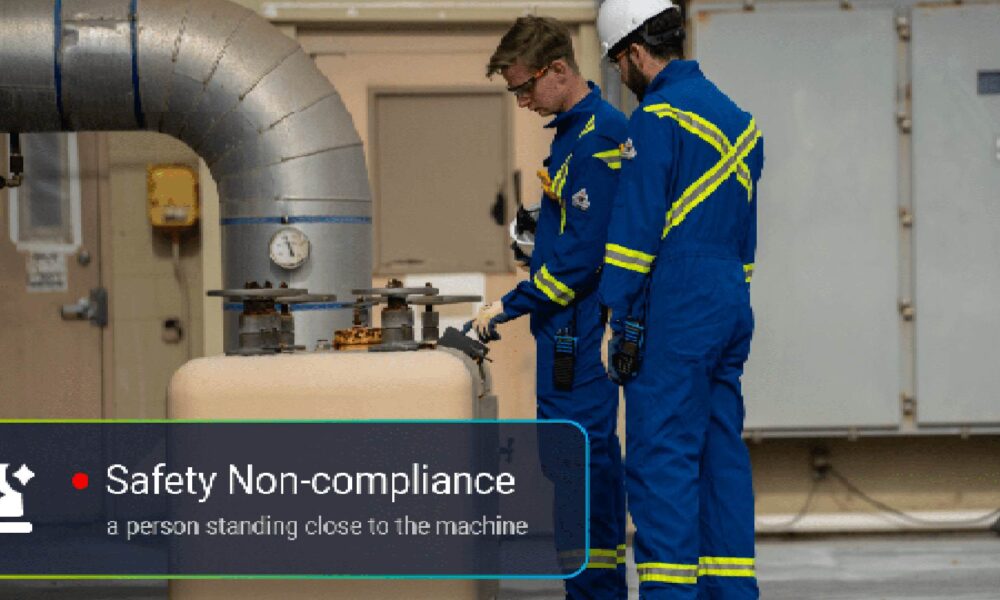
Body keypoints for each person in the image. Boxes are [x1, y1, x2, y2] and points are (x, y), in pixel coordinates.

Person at [595, 0, 764, 598]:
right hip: (728, 299)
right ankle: (731, 592)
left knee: (662, 456)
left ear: (635, 53)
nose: (622, 78)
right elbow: (745, 236)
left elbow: (636, 232)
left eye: (621, 67)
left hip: (677, 300)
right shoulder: (742, 123)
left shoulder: (656, 118)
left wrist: (614, 312)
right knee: (720, 456)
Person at [472, 15, 629, 598]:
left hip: (578, 341)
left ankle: (596, 594)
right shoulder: (571, 134)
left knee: (580, 475)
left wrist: (506, 307)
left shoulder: (598, 139)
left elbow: (584, 259)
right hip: (563, 337)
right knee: (573, 472)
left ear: (558, 70)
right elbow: (572, 236)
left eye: (524, 88)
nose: (522, 102)